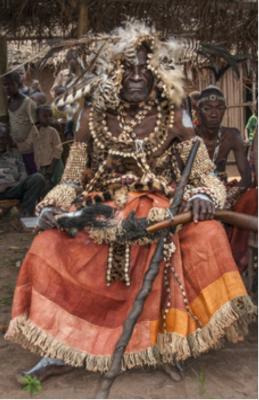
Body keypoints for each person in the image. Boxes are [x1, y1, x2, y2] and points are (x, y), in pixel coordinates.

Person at [5, 22, 256, 383]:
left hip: (159, 210)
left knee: (208, 236)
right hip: (101, 208)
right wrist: (54, 206)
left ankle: (167, 345)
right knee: (48, 246)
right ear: (115, 73)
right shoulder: (90, 119)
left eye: (144, 69)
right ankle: (61, 347)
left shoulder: (176, 118)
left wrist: (201, 196)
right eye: (128, 68)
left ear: (155, 74)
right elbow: (72, 178)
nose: (136, 77)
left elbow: (202, 175)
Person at [195, 85, 252, 208]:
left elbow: (247, 176)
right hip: (195, 193)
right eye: (207, 108)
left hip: (223, 191)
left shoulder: (232, 136)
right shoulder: (189, 137)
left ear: (225, 110)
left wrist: (228, 197)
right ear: (198, 111)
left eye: (219, 108)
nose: (214, 114)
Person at [0, 122, 45, 216]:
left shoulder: (15, 153)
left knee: (37, 178)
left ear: (8, 139)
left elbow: (23, 174)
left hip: (13, 189)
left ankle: (25, 215)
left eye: (4, 138)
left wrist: (10, 185)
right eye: (0, 137)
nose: (1, 141)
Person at [3, 71, 38, 175]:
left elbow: (36, 125)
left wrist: (27, 143)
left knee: (33, 172)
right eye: (5, 85)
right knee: (21, 173)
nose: (7, 88)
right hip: (16, 148)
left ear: (18, 84)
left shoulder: (28, 103)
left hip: (30, 149)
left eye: (10, 84)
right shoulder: (8, 103)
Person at [32, 105, 64, 193]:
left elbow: (58, 149)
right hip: (41, 167)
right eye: (45, 116)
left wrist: (51, 168)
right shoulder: (33, 132)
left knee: (57, 188)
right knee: (44, 188)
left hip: (54, 165)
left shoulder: (52, 131)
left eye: (50, 116)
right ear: (37, 117)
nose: (48, 118)